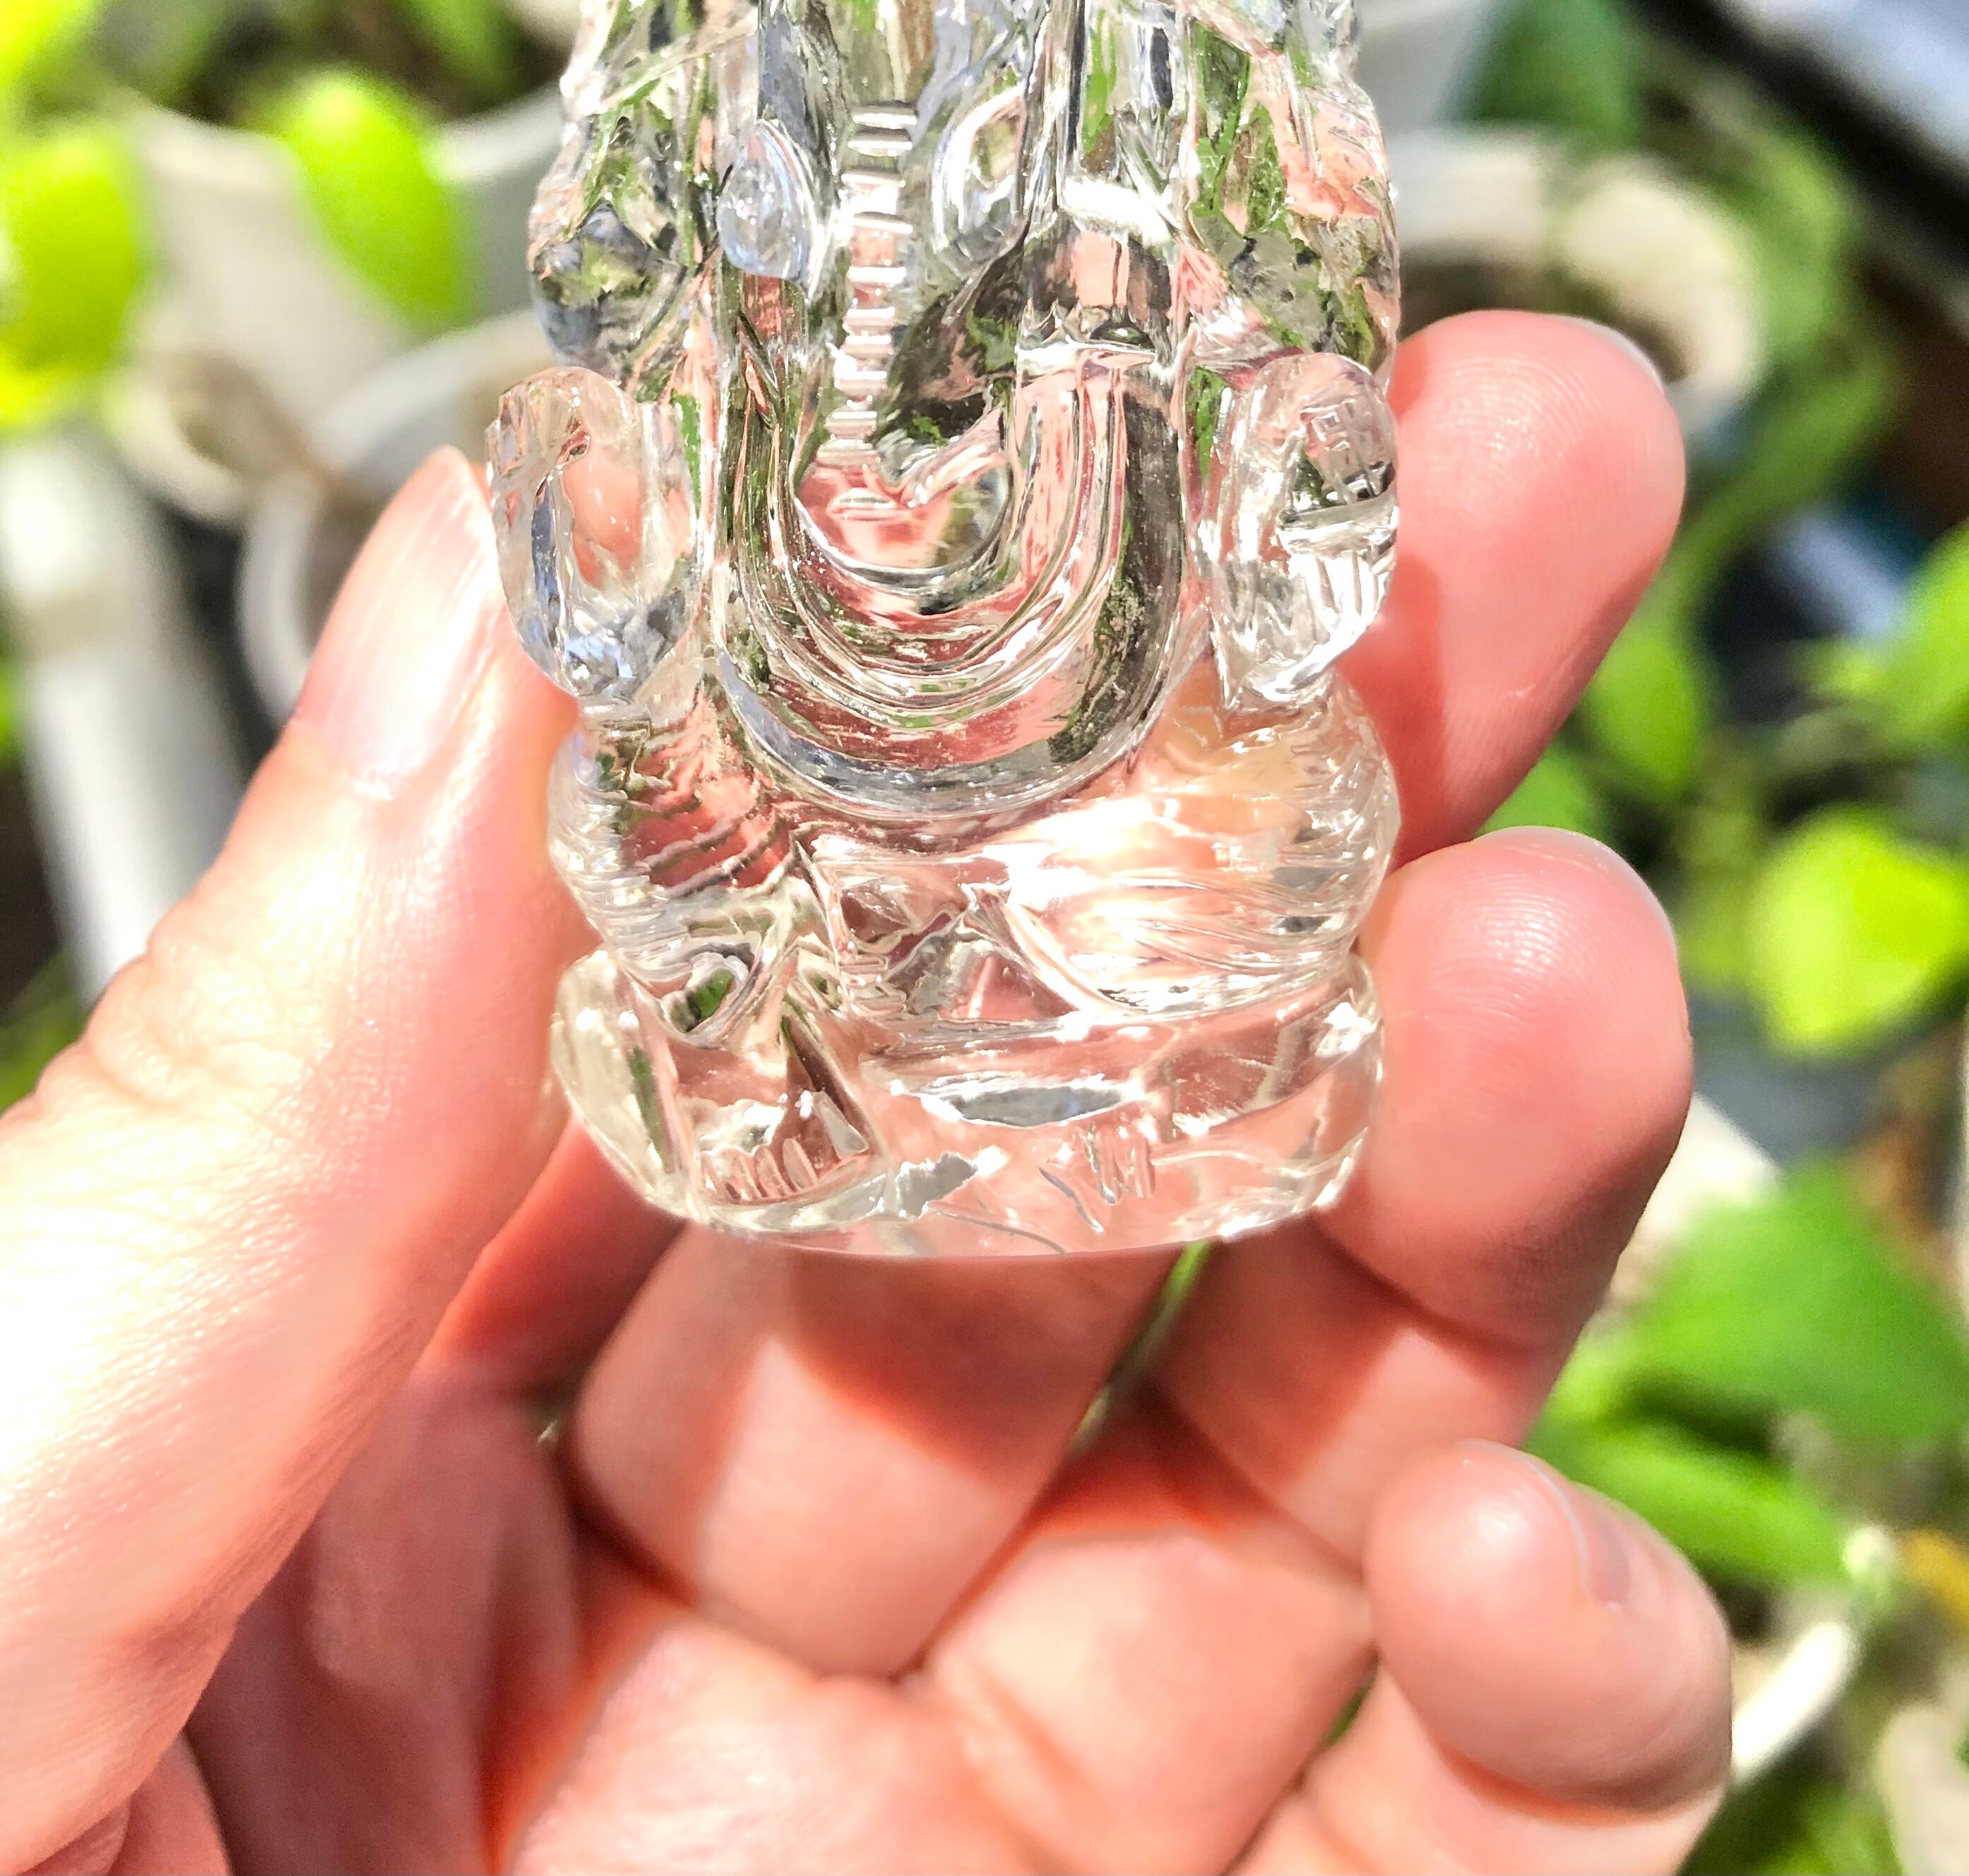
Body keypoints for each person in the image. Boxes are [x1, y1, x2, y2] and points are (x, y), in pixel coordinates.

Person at [0, 313, 1731, 1876]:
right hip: (800, 907)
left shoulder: (1167, 402)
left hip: (1113, 894)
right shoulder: (750, 438)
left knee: (1288, 832)